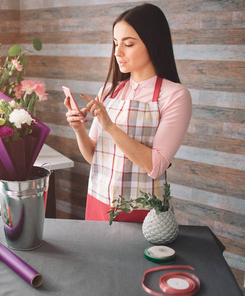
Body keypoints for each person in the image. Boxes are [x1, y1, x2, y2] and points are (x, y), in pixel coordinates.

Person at [64, 3, 192, 222]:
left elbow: (156, 165)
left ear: (153, 43)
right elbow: (94, 157)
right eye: (115, 43)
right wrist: (79, 129)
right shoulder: (109, 91)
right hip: (99, 201)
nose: (117, 52)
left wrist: (110, 127)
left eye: (128, 44)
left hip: (142, 210)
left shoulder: (175, 95)